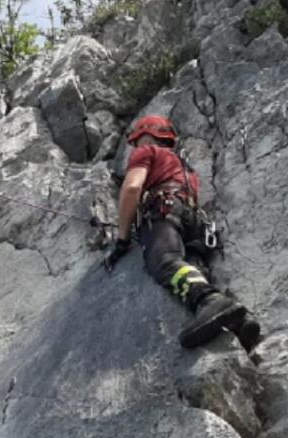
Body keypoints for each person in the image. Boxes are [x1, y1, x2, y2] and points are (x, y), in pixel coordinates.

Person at [103, 115, 261, 351]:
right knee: (192, 268)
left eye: (136, 141)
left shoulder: (146, 152)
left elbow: (132, 187)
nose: (135, 148)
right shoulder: (184, 167)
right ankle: (239, 323)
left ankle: (210, 301)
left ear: (145, 136)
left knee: (164, 261)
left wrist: (122, 239)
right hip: (194, 222)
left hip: (165, 213)